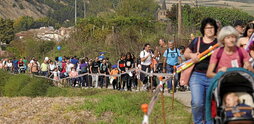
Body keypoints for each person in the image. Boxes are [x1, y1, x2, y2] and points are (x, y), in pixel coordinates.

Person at [184, 17, 218, 124]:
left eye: (212, 27)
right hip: (197, 75)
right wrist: (192, 55)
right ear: (203, 29)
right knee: (197, 102)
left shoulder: (219, 43)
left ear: (215, 29)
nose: (209, 30)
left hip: (213, 76)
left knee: (210, 103)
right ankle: (198, 122)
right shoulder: (196, 41)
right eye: (207, 28)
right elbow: (186, 53)